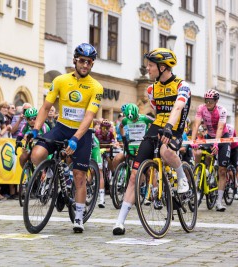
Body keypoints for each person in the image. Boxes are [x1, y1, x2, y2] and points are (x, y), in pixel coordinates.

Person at [113, 48, 190, 235]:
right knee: (134, 174)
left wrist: (170, 128)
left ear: (163, 67)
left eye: (150, 65)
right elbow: (156, 111)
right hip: (158, 125)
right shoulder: (151, 89)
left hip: (176, 126)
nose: (147, 68)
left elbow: (178, 107)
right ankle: (119, 221)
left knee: (165, 152)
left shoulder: (182, 86)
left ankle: (182, 178)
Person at [30, 43, 103, 233]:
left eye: (89, 62)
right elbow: (46, 107)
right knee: (36, 154)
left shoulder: (96, 87)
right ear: (75, 61)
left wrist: (76, 139)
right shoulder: (60, 80)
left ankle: (78, 216)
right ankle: (52, 173)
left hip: (82, 132)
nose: (85, 65)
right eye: (82, 61)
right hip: (62, 127)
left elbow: (89, 117)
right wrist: (36, 129)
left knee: (79, 176)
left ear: (92, 64)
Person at [190, 89, 230, 212]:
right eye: (206, 100)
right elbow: (196, 124)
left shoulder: (222, 110)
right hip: (209, 137)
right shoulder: (201, 108)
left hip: (223, 138)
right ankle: (203, 174)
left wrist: (217, 143)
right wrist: (193, 140)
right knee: (201, 154)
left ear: (216, 101)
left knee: (222, 170)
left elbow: (220, 127)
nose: (208, 103)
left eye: (211, 101)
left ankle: (218, 202)